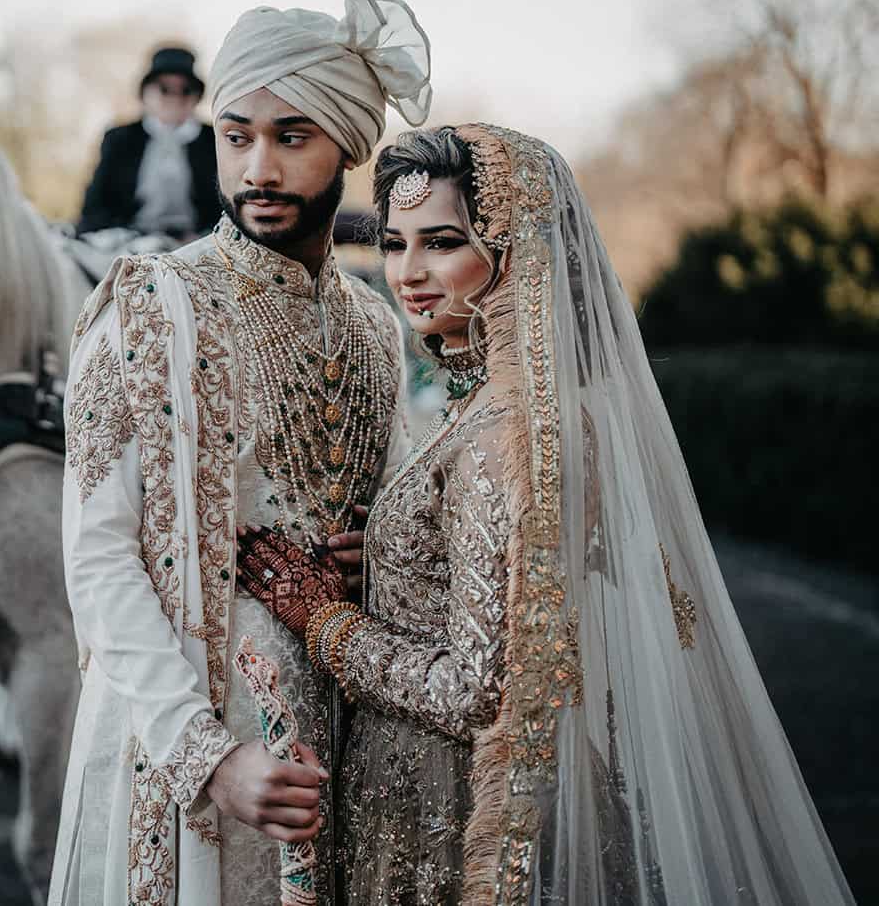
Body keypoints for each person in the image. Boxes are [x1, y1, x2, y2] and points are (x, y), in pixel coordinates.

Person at [235, 125, 857, 904]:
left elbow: (477, 689)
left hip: (451, 815)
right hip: (431, 791)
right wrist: (393, 565)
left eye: (442, 242)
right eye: (394, 244)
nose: (408, 272)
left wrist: (324, 620)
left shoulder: (507, 432)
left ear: (514, 252)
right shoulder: (500, 408)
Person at [48, 0, 432, 906]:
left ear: (348, 146)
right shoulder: (150, 306)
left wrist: (381, 549)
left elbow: (405, 520)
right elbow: (97, 557)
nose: (259, 167)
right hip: (192, 763)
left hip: (355, 748)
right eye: (236, 136)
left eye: (292, 137)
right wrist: (209, 758)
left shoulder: (376, 327)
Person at [75, 46, 221, 238]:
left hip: (201, 240)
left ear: (196, 97)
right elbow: (95, 206)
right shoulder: (120, 139)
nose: (175, 97)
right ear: (145, 93)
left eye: (186, 90)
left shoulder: (215, 140)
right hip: (129, 239)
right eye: (164, 89)